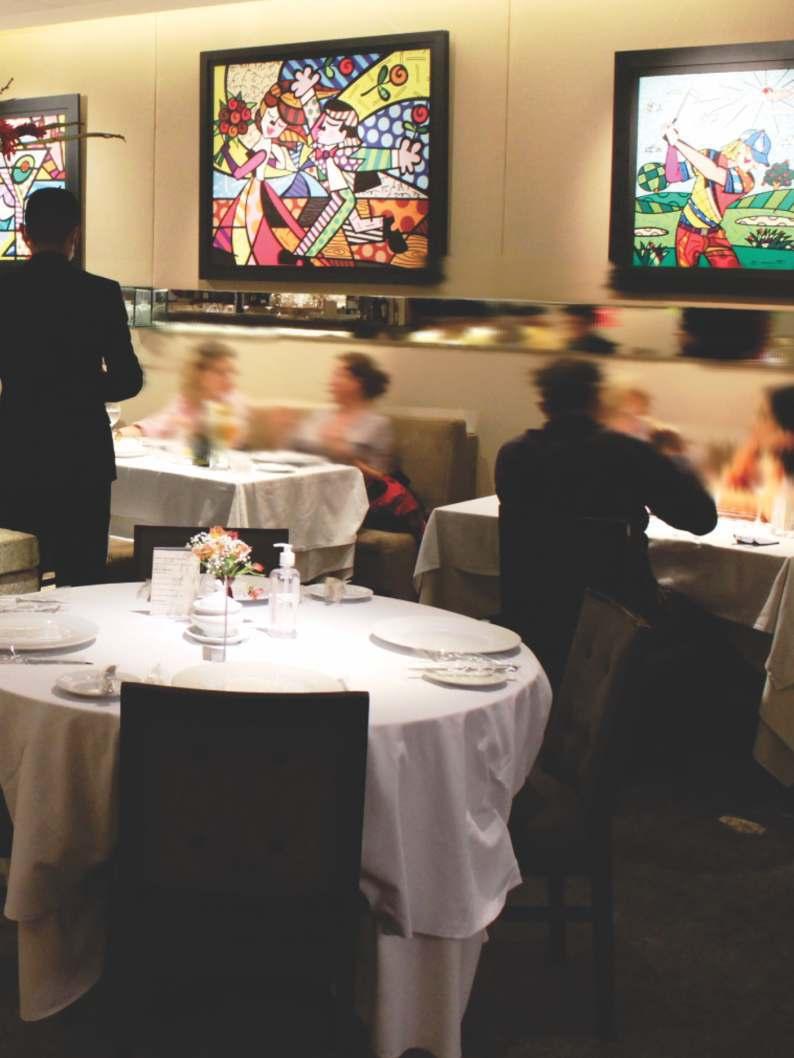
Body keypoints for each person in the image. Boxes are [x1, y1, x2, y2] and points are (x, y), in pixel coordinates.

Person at [0, 187, 143, 585]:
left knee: (17, 570)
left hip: (17, 446)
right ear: (75, 234)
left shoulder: (4, 290)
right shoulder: (100, 292)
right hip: (82, 450)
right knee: (82, 572)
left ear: (25, 234)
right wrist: (81, 385)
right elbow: (128, 379)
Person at [285, 352, 424, 537]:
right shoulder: (320, 415)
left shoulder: (376, 424)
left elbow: (382, 479)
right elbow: (291, 453)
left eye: (339, 375)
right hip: (305, 488)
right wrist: (283, 429)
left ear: (357, 382)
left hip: (349, 498)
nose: (331, 381)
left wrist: (345, 454)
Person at [664, 126, 769, 268]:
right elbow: (673, 175)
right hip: (687, 231)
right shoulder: (708, 156)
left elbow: (712, 172)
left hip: (714, 234)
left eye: (758, 160)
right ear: (739, 145)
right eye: (751, 154)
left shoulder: (747, 181)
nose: (754, 163)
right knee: (685, 278)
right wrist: (671, 144)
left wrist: (677, 142)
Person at [120, 342, 248, 448]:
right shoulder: (186, 400)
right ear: (199, 374)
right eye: (220, 372)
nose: (229, 378)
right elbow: (156, 425)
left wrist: (195, 429)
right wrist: (119, 434)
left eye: (231, 372)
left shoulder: (232, 400)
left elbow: (225, 444)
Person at [718, 383, 794, 519]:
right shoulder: (771, 457)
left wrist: (720, 497)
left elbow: (773, 508)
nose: (754, 424)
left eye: (764, 417)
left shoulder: (784, 462)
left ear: (787, 428)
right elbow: (728, 485)